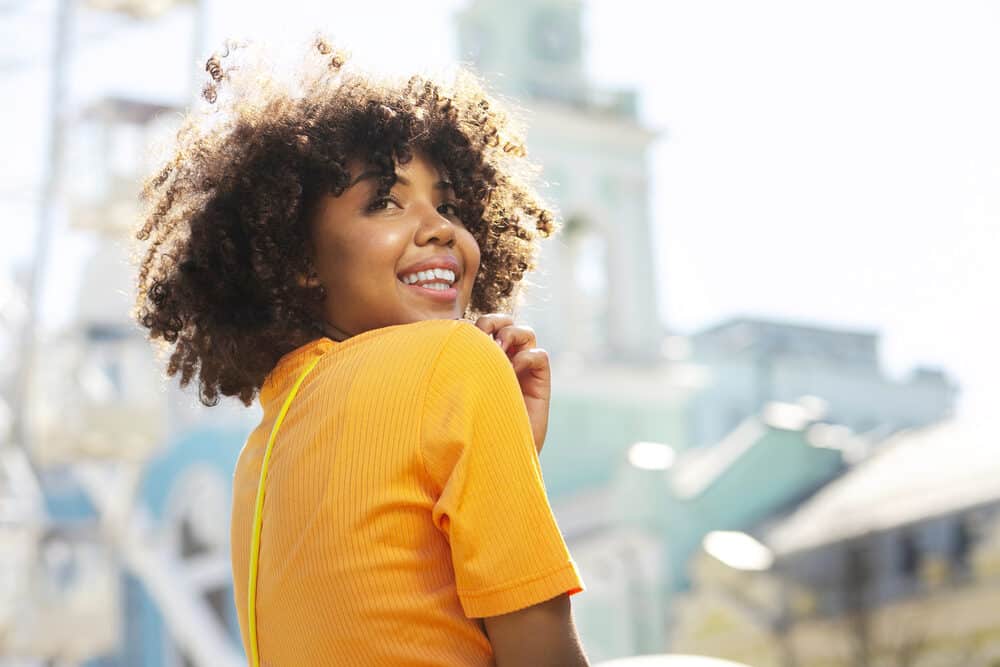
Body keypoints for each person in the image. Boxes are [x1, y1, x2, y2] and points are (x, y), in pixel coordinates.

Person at [131, 35, 589, 667]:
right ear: (298, 259)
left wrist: (506, 449)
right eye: (385, 202)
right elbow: (542, 656)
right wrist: (482, 414)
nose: (440, 228)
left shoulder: (263, 448)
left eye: (450, 203)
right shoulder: (454, 361)